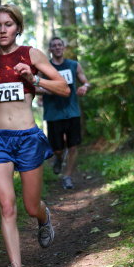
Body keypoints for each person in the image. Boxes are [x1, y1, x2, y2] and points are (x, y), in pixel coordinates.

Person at [0, 5, 70, 267]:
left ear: (17, 28)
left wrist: (33, 79)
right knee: (7, 206)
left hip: (27, 137)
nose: (2, 30)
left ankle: (43, 215)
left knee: (29, 205)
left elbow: (63, 88)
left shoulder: (32, 54)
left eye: (8, 24)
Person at [40, 37, 91, 190]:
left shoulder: (73, 65)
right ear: (50, 49)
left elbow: (85, 81)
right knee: (58, 148)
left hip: (72, 111)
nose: (57, 48)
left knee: (73, 146)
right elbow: (35, 86)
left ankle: (67, 176)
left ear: (64, 47)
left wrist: (85, 87)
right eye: (53, 46)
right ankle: (58, 158)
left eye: (59, 45)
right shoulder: (45, 67)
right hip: (53, 113)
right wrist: (49, 89)